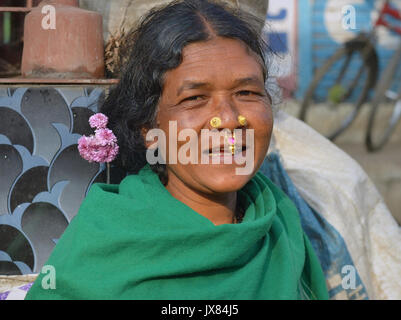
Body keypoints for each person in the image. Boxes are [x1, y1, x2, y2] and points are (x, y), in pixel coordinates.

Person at [25, 0, 329, 300]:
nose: (226, 119)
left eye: (247, 92)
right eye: (195, 98)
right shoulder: (106, 242)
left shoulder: (279, 229)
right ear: (148, 130)